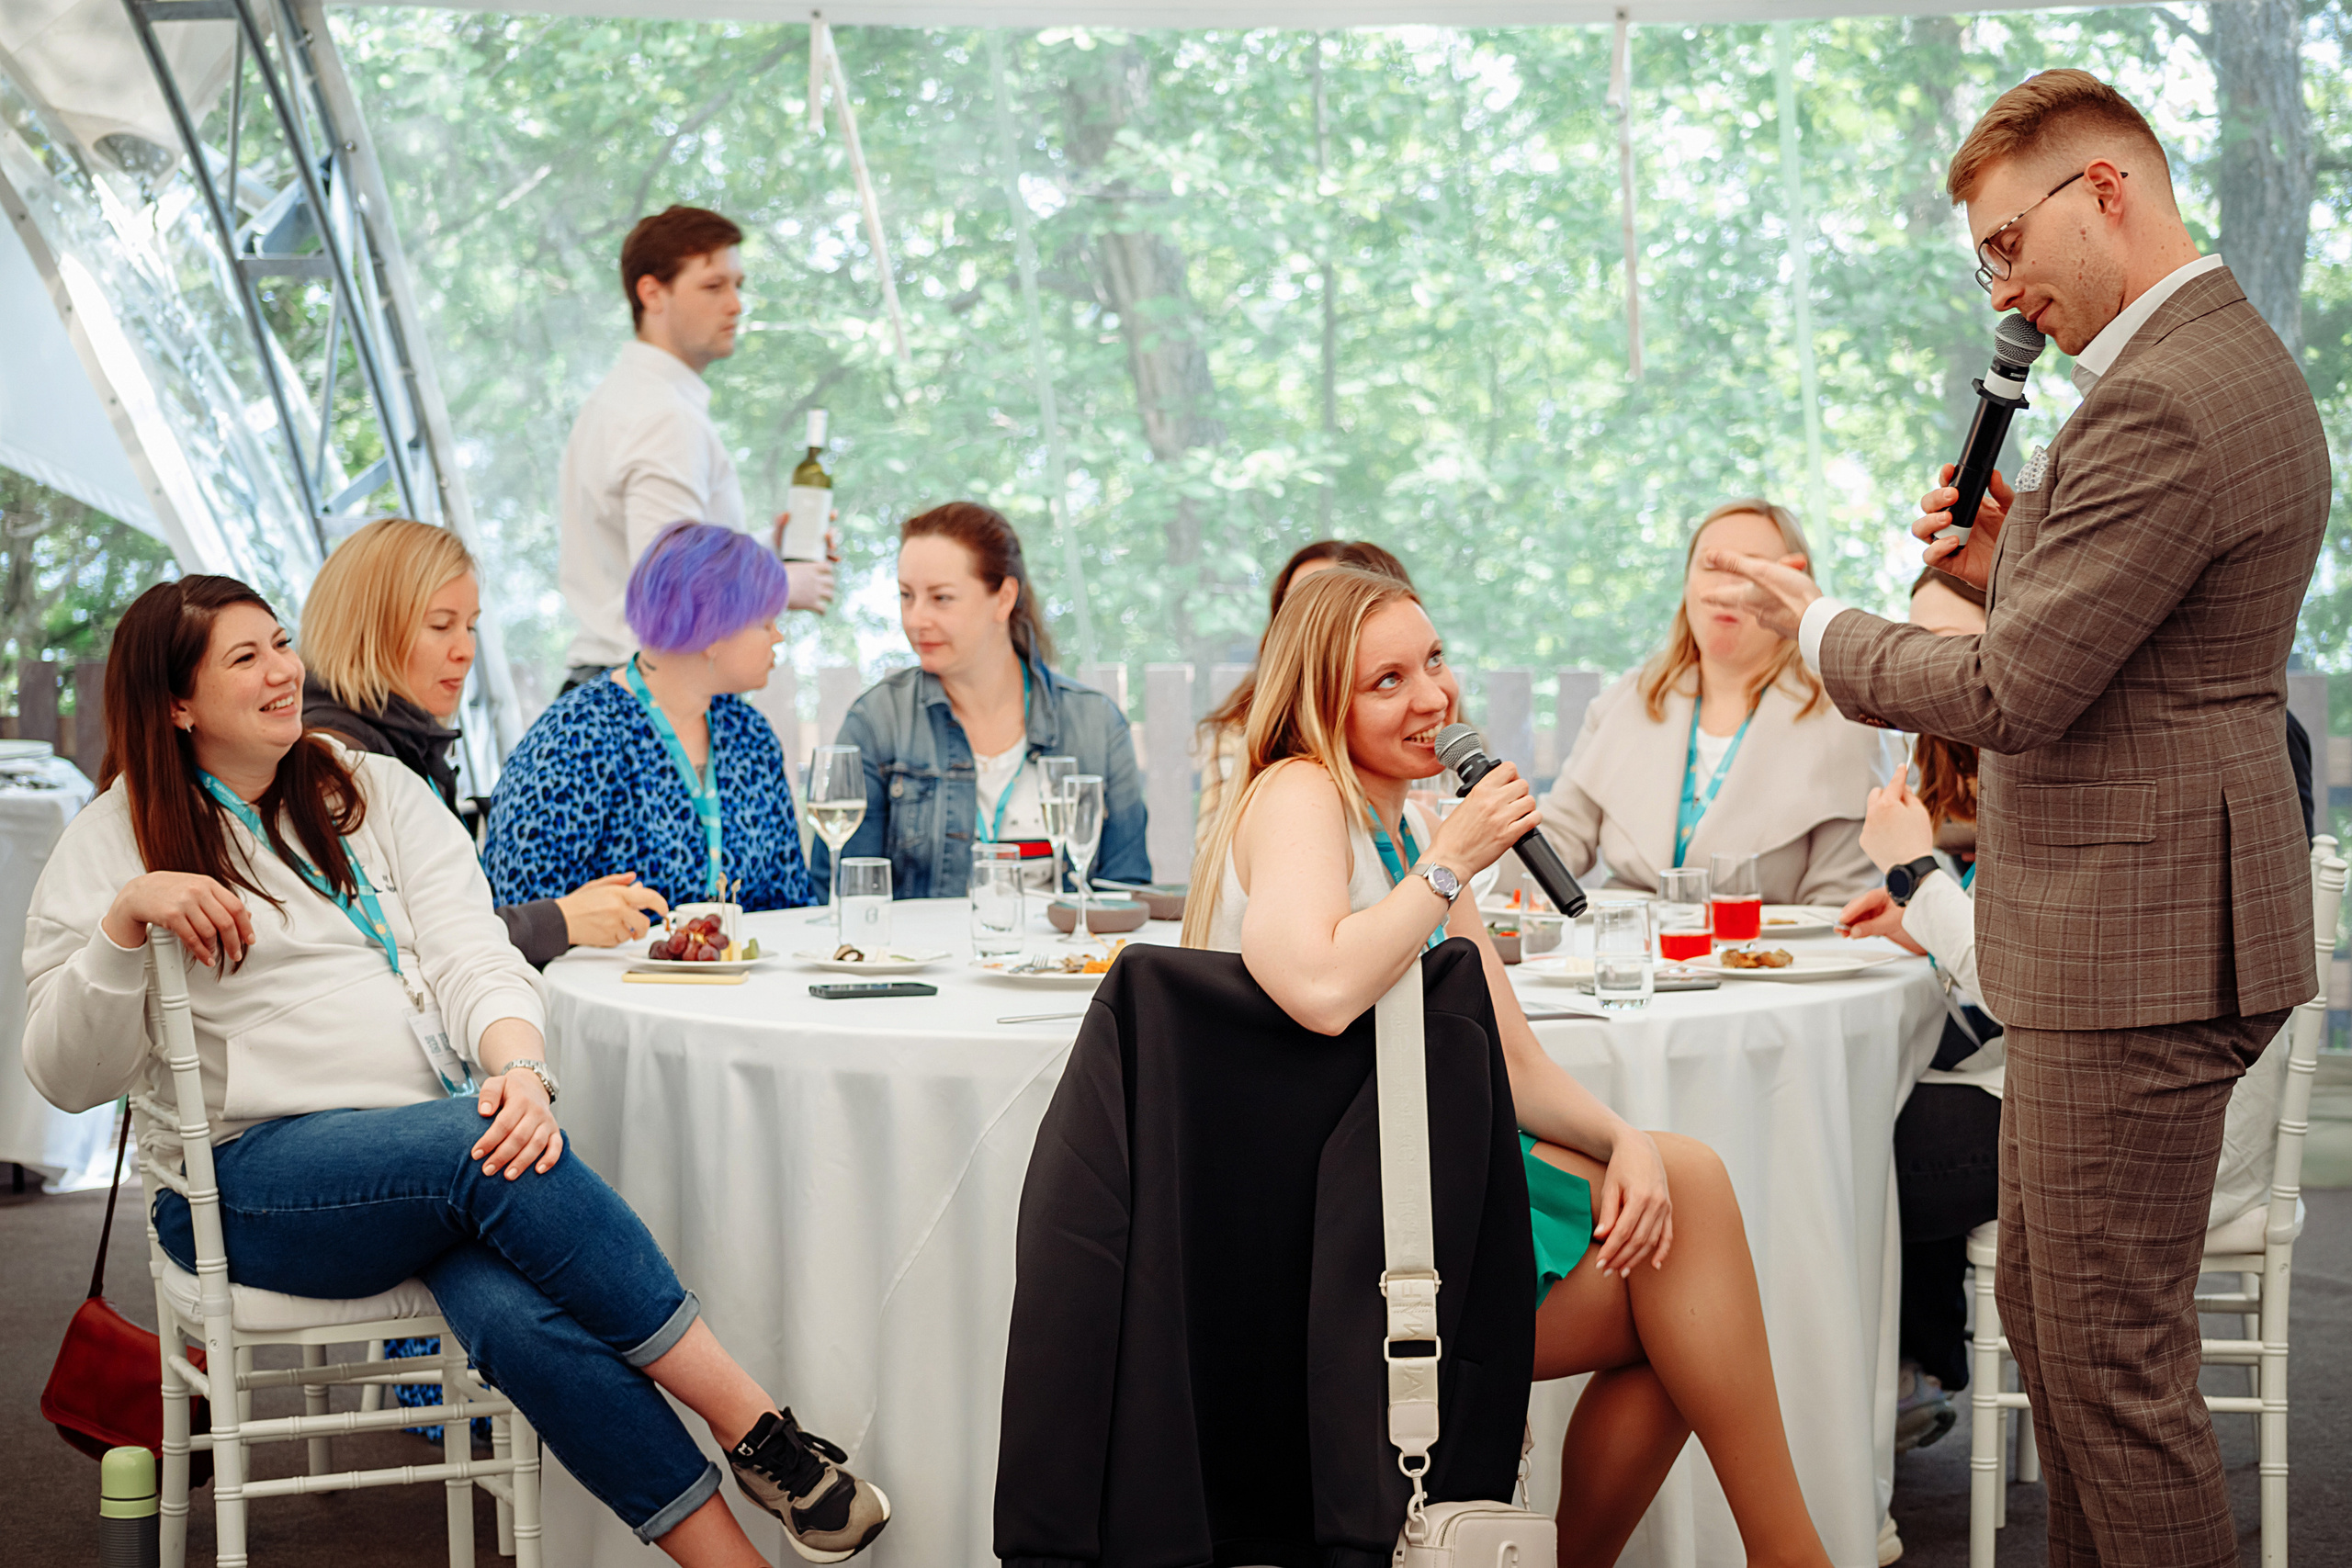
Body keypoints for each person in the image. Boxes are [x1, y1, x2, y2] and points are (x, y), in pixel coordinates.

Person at [1711, 70, 2329, 1568]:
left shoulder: (2166, 394)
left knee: (2110, 1378)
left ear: (2103, 189)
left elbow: (2019, 693)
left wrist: (1824, 629)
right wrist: (2010, 558)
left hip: (2141, 941)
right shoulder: (2210, 363)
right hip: (2134, 929)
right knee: (2057, 1333)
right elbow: (2126, 638)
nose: (2004, 287)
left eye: (2005, 245)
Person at [21, 575, 889, 1564]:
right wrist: (123, 923)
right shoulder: (114, 841)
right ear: (176, 703)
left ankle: (727, 1558)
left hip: (420, 1163)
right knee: (480, 1152)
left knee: (516, 1311)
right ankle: (758, 1429)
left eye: (279, 644)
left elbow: (476, 955)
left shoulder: (366, 788)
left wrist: (521, 1070)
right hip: (248, 1185)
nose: (280, 672)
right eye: (244, 659)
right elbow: (64, 1074)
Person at [1184, 565, 1833, 1568]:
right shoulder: (1297, 795)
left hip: (1407, 1182)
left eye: (1433, 661)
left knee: (1673, 1227)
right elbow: (1315, 989)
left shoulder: (1400, 822)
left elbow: (1511, 1059)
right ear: (1321, 700)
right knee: (1679, 1297)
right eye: (1386, 681)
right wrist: (1449, 862)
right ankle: (1788, 1559)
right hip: (1327, 1236)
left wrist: (1623, 1143)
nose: (1433, 697)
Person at [300, 517, 668, 968]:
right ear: (366, 630)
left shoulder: (409, 745)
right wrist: (561, 920)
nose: (466, 650)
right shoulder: (336, 764)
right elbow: (402, 944)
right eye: (441, 626)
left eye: (471, 627)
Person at [1538, 499, 1889, 904]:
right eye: (1712, 566)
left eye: (1751, 570)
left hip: (1769, 959)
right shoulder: (1624, 702)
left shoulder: (1844, 723)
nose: (1727, 589)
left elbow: (1838, 913)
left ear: (1794, 589)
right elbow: (1554, 845)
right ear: (1687, 582)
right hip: (1629, 954)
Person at [559, 205, 838, 693]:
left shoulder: (625, 398)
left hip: (619, 689)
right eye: (713, 286)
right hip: (643, 699)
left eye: (738, 285)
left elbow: (671, 558)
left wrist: (769, 550)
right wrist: (784, 586)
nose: (735, 305)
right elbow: (673, 595)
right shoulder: (662, 416)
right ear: (652, 293)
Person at [815, 502, 1148, 900]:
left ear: (1004, 597)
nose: (916, 619)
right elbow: (841, 895)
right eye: (906, 596)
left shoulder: (1097, 725)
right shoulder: (876, 722)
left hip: (1063, 964)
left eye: (941, 598)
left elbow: (1125, 893)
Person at [486, 522, 816, 914]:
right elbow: (523, 915)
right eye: (766, 623)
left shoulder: (750, 735)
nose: (778, 636)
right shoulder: (574, 739)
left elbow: (792, 904)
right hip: (599, 976)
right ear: (715, 630)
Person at [1193, 538, 1413, 848]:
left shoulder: (1441, 732)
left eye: (1330, 602)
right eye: (1295, 606)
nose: (1306, 625)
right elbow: (1217, 860)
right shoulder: (1246, 744)